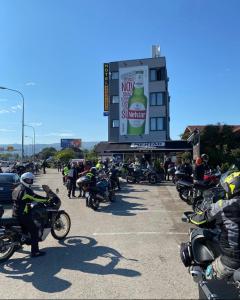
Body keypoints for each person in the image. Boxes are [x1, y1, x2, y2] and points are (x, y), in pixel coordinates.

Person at [190, 171, 240, 280]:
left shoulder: (224, 205)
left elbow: (200, 220)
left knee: (208, 275)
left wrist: (191, 217)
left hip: (232, 261)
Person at [12, 172, 49, 257]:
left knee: (23, 230)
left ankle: (17, 245)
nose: (30, 181)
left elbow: (21, 200)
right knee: (34, 230)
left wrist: (28, 204)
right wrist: (46, 199)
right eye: (28, 180)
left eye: (31, 180)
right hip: (23, 215)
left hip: (15, 212)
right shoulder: (26, 190)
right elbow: (35, 197)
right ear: (24, 180)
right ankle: (35, 252)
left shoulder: (17, 187)